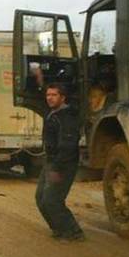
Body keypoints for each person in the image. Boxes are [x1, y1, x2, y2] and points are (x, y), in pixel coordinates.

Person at [35, 83, 85, 241]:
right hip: (50, 162)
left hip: (63, 164)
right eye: (48, 95)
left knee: (52, 200)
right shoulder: (52, 114)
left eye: (54, 95)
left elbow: (68, 146)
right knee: (40, 199)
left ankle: (74, 232)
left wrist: (56, 169)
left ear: (63, 97)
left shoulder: (67, 116)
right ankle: (58, 228)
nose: (50, 98)